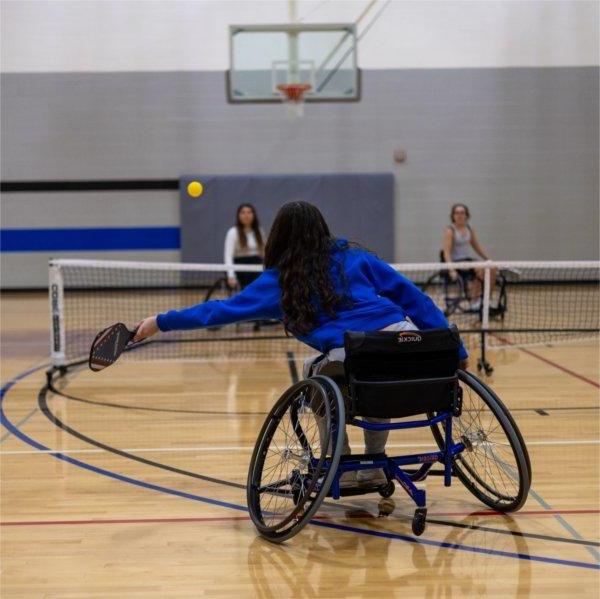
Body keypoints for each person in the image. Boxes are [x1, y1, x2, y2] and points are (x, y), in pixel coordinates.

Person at [135, 201, 468, 488]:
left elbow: (217, 311)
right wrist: (458, 352)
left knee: (322, 374)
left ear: (278, 237)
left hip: (358, 354)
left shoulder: (279, 282)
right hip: (408, 343)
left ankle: (340, 461)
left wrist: (159, 322)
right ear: (322, 228)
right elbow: (416, 299)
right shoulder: (356, 258)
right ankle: (376, 463)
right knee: (375, 381)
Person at [442, 203, 495, 309]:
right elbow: (446, 252)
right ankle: (474, 301)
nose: (459, 215)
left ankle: (486, 299)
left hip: (468, 261)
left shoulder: (469, 229)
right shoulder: (450, 231)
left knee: (491, 268)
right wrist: (451, 269)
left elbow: (477, 247)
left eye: (462, 213)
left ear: (466, 215)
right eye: (457, 213)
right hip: (456, 262)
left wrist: (489, 260)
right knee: (480, 269)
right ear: (453, 216)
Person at [224, 203, 265, 290]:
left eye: (249, 212)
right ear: (238, 216)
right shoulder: (233, 232)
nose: (246, 215)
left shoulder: (259, 232)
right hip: (240, 267)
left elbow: (264, 253)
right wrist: (231, 275)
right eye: (243, 212)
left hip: (257, 266)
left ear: (254, 215)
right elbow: (228, 256)